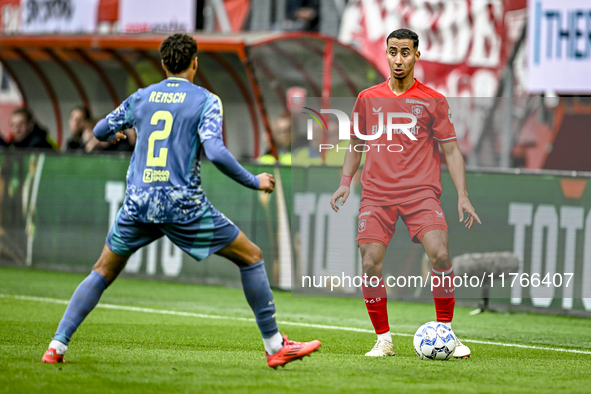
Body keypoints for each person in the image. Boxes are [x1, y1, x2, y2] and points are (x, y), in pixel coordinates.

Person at [42, 33, 321, 368]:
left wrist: (114, 133)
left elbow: (101, 129)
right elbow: (215, 152)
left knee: (102, 271)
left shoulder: (142, 97)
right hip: (180, 205)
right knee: (251, 257)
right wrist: (254, 180)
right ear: (195, 62)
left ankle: (56, 346)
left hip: (139, 202)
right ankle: (275, 346)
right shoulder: (206, 100)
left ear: (163, 65)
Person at [330, 28, 481, 358]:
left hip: (421, 193)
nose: (398, 59)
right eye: (393, 51)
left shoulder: (433, 100)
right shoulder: (368, 98)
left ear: (416, 56)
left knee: (440, 255)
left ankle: (446, 333)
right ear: (386, 54)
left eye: (405, 52)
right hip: (376, 194)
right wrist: (345, 181)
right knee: (370, 264)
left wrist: (463, 195)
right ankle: (383, 339)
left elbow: (452, 151)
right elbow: (356, 145)